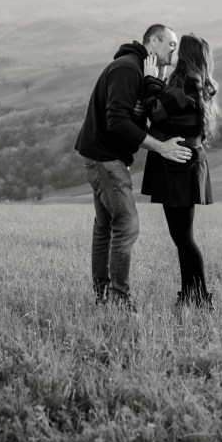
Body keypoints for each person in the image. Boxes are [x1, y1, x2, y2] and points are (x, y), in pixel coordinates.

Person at [75, 24, 192, 308]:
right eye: (171, 44)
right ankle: (119, 300)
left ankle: (104, 295)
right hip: (105, 158)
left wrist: (156, 81)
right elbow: (117, 122)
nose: (174, 50)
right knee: (127, 225)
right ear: (153, 41)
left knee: (105, 225)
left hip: (104, 156)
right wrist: (161, 147)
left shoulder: (139, 70)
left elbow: (143, 116)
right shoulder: (128, 69)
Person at [141, 33, 220, 310]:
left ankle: (200, 297)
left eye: (177, 48)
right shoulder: (195, 84)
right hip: (184, 165)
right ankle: (189, 294)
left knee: (183, 238)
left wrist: (150, 79)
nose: (172, 51)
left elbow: (155, 111)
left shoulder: (185, 86)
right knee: (182, 237)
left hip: (178, 167)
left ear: (185, 56)